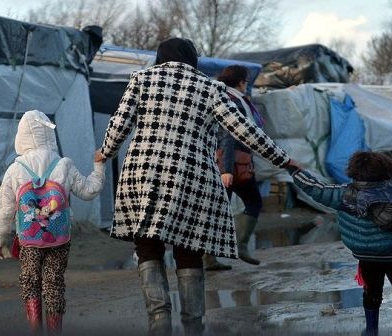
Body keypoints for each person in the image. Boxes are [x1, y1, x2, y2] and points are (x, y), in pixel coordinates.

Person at [97, 37, 298, 335]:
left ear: (160, 57)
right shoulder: (211, 87)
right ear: (192, 58)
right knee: (189, 248)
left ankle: (159, 321)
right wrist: (285, 160)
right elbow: (245, 130)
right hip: (191, 177)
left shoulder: (142, 79)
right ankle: (193, 326)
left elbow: (120, 123)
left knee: (148, 246)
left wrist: (106, 151)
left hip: (144, 174)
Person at [289, 151, 392, 336]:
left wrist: (294, 170)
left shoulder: (343, 194)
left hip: (367, 257)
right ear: (388, 171)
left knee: (372, 293)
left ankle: (371, 330)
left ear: (354, 171)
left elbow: (316, 189)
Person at [0, 110, 105, 334]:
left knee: (30, 281)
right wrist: (99, 166)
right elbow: (90, 190)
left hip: (29, 240)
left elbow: (6, 210)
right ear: (49, 134)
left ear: (21, 136)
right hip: (59, 237)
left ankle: (35, 328)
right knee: (54, 283)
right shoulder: (64, 164)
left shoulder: (14, 170)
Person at [202, 65, 267, 271]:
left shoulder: (222, 96)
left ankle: (210, 258)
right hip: (233, 164)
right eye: (246, 82)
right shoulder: (234, 102)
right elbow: (228, 135)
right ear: (240, 82)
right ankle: (241, 245)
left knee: (218, 210)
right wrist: (227, 169)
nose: (247, 86)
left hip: (225, 161)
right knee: (253, 200)